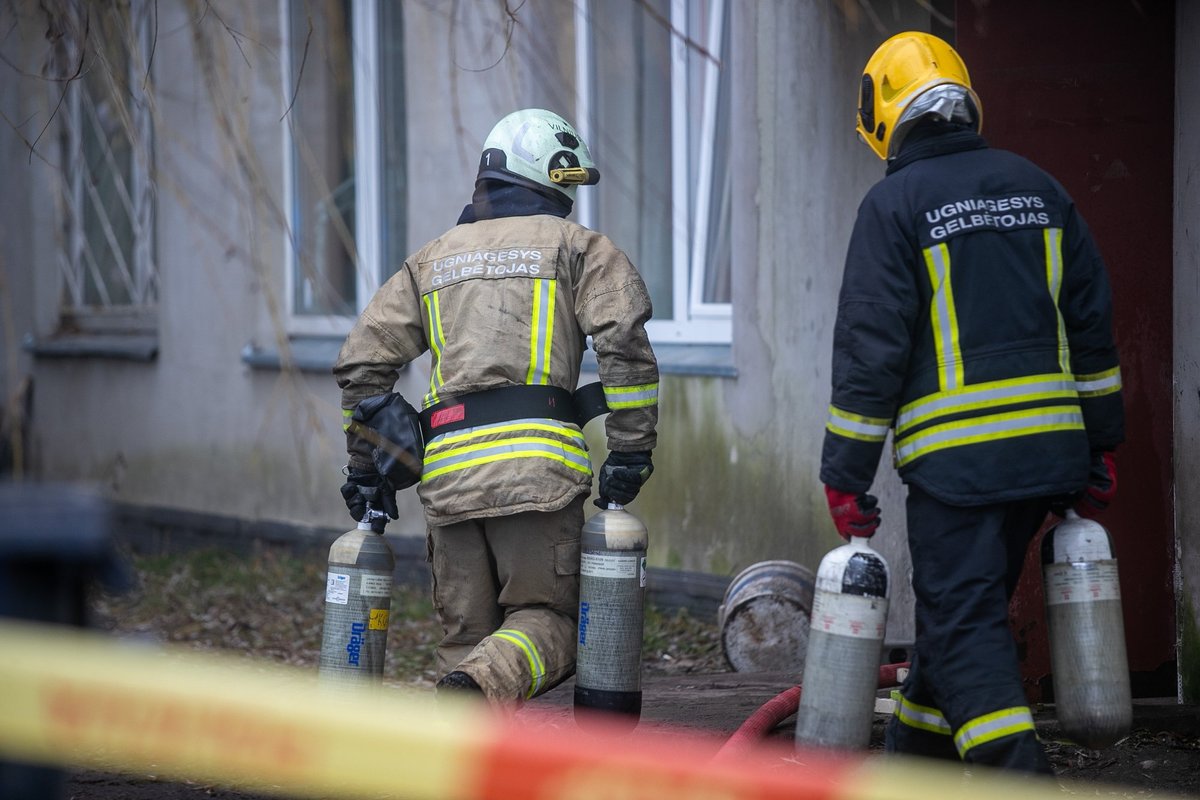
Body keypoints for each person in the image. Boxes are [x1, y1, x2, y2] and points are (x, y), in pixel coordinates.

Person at [820, 32, 1123, 774]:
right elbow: (1091, 325)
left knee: (964, 628)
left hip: (958, 471)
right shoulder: (1041, 189)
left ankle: (1022, 778)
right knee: (963, 612)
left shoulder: (894, 205)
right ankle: (912, 764)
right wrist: (1100, 443)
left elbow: (871, 347)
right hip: (1048, 459)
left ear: (884, 117)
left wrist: (845, 474)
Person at [333, 108, 659, 704]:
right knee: (552, 622)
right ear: (540, 177)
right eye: (564, 188)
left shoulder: (432, 259)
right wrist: (632, 447)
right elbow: (624, 344)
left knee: (468, 641)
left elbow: (361, 361)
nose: (568, 205)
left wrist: (367, 462)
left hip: (448, 479)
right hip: (538, 478)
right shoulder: (580, 249)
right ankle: (472, 690)